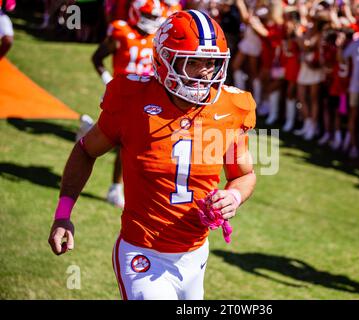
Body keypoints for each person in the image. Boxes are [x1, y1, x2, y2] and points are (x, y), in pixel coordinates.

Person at [48, 9, 257, 300]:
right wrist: (62, 215)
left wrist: (232, 197)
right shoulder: (132, 99)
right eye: (193, 62)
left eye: (211, 62)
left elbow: (243, 175)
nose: (205, 71)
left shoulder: (231, 107)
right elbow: (85, 151)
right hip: (143, 253)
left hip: (195, 254)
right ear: (165, 59)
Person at [84, 0, 165, 208]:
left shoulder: (157, 37)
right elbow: (97, 58)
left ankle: (88, 133)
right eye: (147, 16)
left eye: (154, 17)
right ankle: (115, 188)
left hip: (146, 96)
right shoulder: (121, 30)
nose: (151, 21)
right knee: (124, 141)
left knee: (136, 142)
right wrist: (107, 80)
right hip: (121, 94)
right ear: (135, 12)